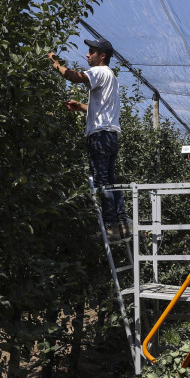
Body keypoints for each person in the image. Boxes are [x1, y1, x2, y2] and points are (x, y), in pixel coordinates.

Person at [47, 38, 131, 243]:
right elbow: (103, 108)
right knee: (110, 182)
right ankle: (123, 225)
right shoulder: (111, 76)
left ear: (102, 56)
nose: (87, 55)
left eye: (91, 51)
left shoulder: (100, 71)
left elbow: (75, 77)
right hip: (110, 135)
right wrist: (82, 106)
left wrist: (55, 63)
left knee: (102, 182)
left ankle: (111, 227)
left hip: (100, 136)